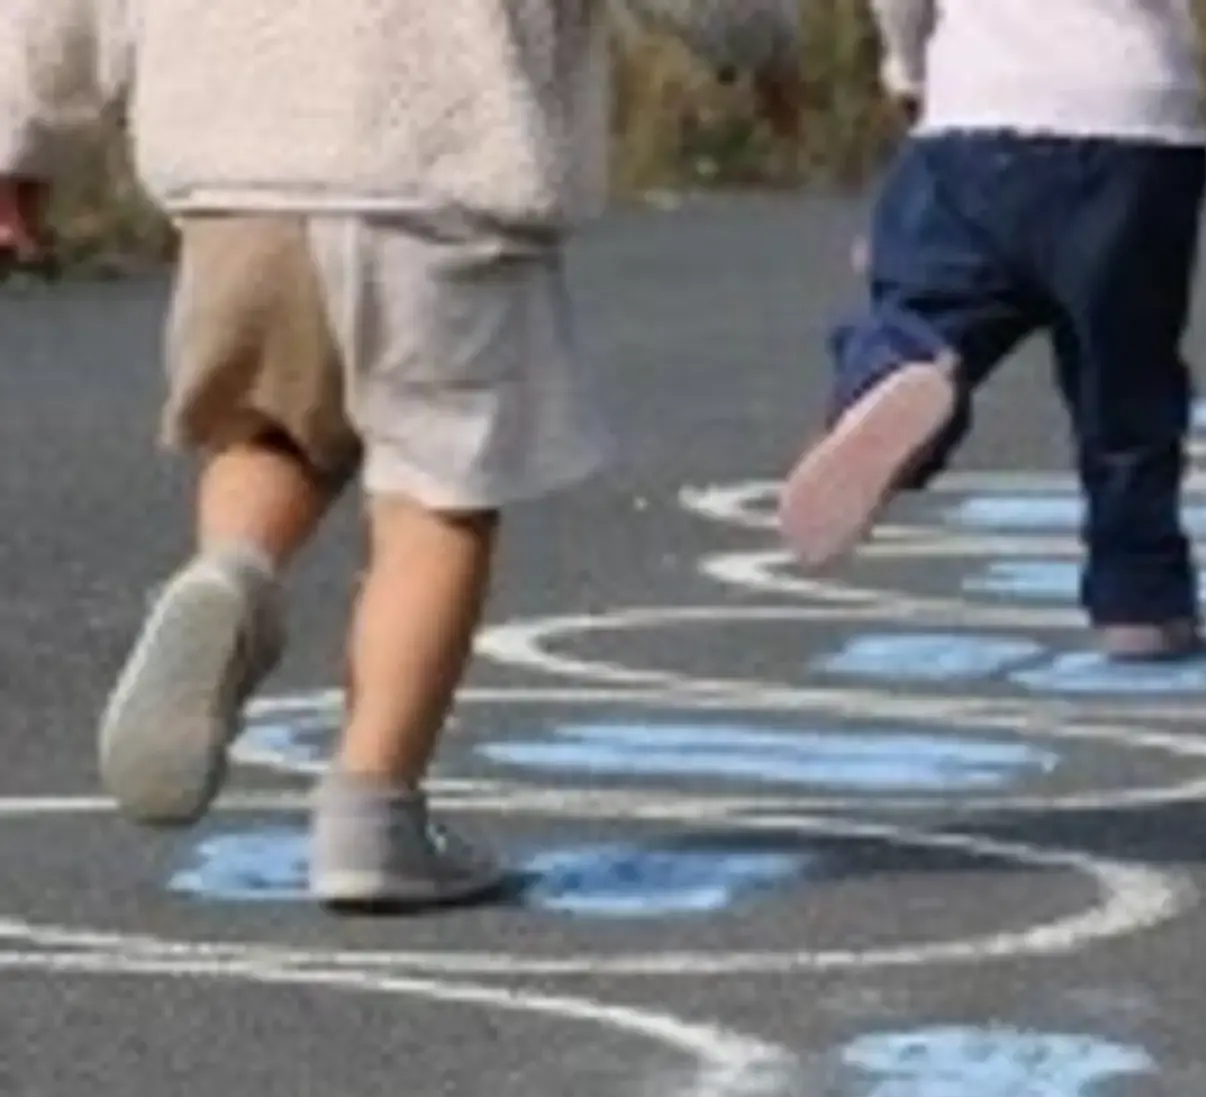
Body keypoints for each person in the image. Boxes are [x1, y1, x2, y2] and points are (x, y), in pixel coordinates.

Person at [0, 0, 803, 909]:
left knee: (269, 431)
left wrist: (20, 133)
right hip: (440, 171)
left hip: (232, 171)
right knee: (438, 492)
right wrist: (763, 38)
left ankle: (231, 572)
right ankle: (372, 814)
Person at [778, 0, 1206, 658]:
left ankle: (894, 370)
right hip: (1139, 127)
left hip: (978, 113)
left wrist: (907, 68)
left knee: (924, 297)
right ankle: (1141, 602)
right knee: (1126, 381)